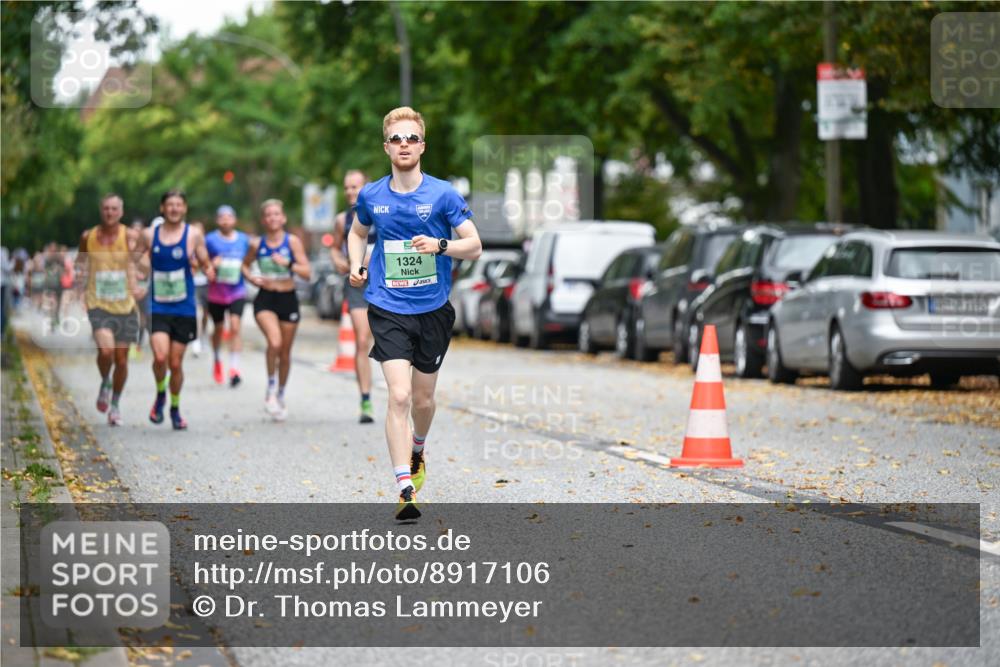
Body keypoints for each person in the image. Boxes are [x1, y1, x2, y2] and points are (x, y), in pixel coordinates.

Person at [348, 106, 482, 520]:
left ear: (422, 145)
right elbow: (357, 232)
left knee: (423, 399)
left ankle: (418, 448)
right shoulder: (372, 195)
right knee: (400, 395)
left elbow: (474, 245)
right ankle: (405, 487)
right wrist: (356, 264)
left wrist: (439, 246)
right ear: (386, 147)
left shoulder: (442, 194)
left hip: (433, 310)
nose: (403, 145)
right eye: (396, 139)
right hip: (387, 306)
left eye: (411, 138)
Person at [138, 190, 215, 430]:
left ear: (184, 208)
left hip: (184, 308)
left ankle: (174, 407)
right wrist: (139, 274)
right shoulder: (149, 235)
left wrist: (208, 269)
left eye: (178, 205)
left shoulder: (194, 235)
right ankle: (161, 392)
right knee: (160, 357)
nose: (174, 209)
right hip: (158, 305)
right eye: (169, 205)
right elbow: (138, 261)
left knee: (175, 363)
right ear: (162, 208)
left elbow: (205, 261)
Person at [75, 194, 143, 426]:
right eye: (106, 209)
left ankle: (115, 404)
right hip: (98, 304)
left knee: (122, 361)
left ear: (121, 212)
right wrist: (80, 285)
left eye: (114, 209)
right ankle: (105, 380)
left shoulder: (130, 236)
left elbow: (144, 263)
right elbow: (80, 264)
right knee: (106, 353)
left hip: (125, 306)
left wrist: (139, 278)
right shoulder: (89, 237)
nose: (110, 213)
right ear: (101, 211)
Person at [242, 199, 310, 422]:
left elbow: (306, 273)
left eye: (276, 214)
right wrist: (251, 277)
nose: (272, 218)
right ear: (264, 220)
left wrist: (286, 263)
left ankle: (280, 393)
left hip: (288, 299)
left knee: (285, 353)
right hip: (265, 300)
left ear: (283, 218)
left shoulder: (292, 242)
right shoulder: (256, 244)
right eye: (268, 215)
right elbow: (244, 265)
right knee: (275, 342)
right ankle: (271, 387)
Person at [330, 169, 376, 423]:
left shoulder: (381, 212)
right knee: (361, 340)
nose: (350, 191)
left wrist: (375, 256)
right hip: (357, 285)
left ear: (365, 188)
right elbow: (335, 249)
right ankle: (366, 400)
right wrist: (339, 260)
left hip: (385, 284)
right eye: (346, 187)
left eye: (355, 187)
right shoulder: (342, 220)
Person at [205, 205, 250, 387]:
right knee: (217, 329)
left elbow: (248, 261)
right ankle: (216, 358)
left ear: (234, 220)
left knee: (235, 327)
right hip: (216, 294)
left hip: (237, 291)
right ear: (217, 220)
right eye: (222, 217)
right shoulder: (210, 240)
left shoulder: (243, 240)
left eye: (229, 217)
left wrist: (251, 274)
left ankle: (234, 368)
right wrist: (210, 265)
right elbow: (201, 262)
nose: (225, 220)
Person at [190, 221, 208, 357]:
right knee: (197, 313)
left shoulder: (208, 245)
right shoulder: (186, 246)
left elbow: (211, 265)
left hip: (208, 285)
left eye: (199, 231)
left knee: (206, 315)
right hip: (193, 284)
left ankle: (203, 335)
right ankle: (196, 340)